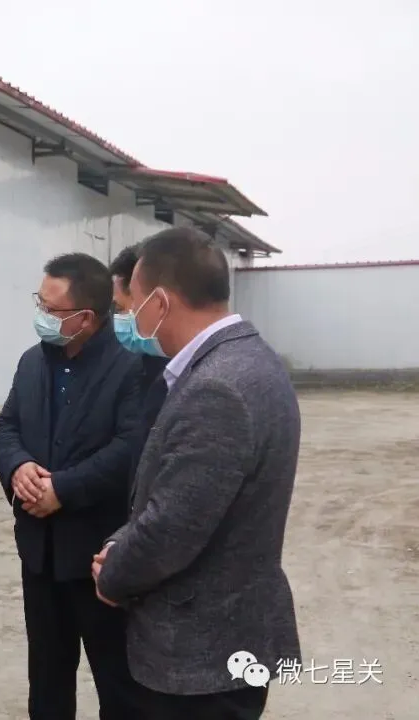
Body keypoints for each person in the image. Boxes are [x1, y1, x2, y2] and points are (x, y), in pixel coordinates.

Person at [93, 227, 302, 720]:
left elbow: (174, 526)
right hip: (226, 640)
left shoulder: (217, 388)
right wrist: (122, 541)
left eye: (134, 303)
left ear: (160, 302)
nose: (131, 317)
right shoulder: (251, 359)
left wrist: (114, 574)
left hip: (200, 657)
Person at [0, 253, 144, 719]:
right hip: (40, 555)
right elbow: (7, 426)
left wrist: (64, 489)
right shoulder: (32, 363)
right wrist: (18, 467)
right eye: (39, 301)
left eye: (51, 308)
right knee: (47, 682)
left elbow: (131, 448)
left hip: (100, 558)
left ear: (86, 318)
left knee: (118, 685)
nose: (41, 314)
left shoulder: (132, 367)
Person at [109, 243, 170, 501]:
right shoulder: (142, 363)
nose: (117, 320)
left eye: (120, 309)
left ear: (156, 302)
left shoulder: (204, 381)